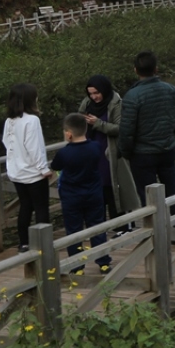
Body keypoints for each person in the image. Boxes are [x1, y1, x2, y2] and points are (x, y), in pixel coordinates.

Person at [119, 51, 175, 227]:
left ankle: (157, 232)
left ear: (135, 70)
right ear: (156, 69)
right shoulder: (170, 90)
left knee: (148, 197)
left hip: (142, 153)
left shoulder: (132, 96)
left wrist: (126, 152)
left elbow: (127, 130)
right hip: (167, 148)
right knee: (173, 191)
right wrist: (174, 137)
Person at [51, 113, 112, 273]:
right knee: (97, 226)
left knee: (74, 231)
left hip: (71, 196)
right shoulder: (95, 147)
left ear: (69, 134)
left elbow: (55, 166)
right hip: (94, 194)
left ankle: (77, 266)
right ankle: (103, 262)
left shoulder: (64, 153)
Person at [79, 75, 139, 233]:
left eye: (96, 93)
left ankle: (123, 227)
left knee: (114, 189)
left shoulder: (116, 103)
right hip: (92, 153)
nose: (94, 97)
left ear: (104, 90)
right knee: (97, 189)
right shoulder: (87, 103)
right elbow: (77, 122)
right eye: (91, 93)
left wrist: (98, 124)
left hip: (110, 152)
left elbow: (121, 128)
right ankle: (100, 228)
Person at [2, 83, 51, 252]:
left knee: (25, 206)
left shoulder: (9, 121)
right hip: (33, 172)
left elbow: (6, 143)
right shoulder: (32, 120)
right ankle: (43, 243)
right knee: (41, 207)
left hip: (17, 172)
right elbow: (34, 147)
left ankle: (24, 243)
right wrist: (44, 169)